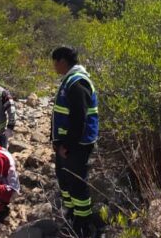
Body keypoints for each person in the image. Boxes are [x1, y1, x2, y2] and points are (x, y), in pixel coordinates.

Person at [51, 46, 99, 238]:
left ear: (62, 61)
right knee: (65, 181)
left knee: (77, 184)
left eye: (55, 62)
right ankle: (70, 216)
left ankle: (83, 226)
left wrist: (67, 146)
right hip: (67, 146)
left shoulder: (78, 82)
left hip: (76, 146)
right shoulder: (69, 81)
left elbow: (80, 118)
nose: (54, 67)